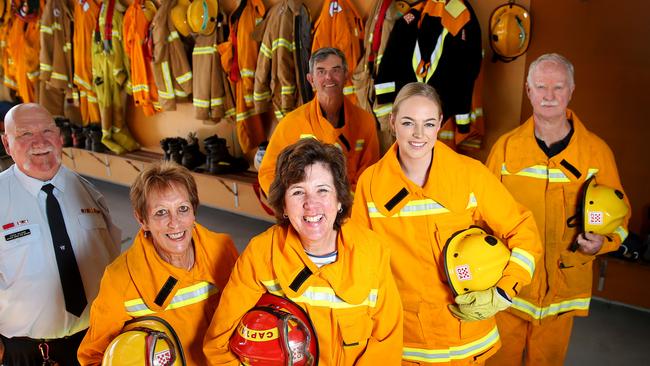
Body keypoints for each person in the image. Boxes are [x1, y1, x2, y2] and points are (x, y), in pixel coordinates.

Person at [351, 82, 542, 365]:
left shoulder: (470, 175)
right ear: (392, 122)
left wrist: (505, 289)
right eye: (408, 122)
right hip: (406, 341)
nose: (418, 134)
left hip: (466, 340)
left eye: (428, 124)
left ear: (440, 124)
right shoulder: (371, 184)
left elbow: (523, 230)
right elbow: (359, 260)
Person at [484, 53, 631, 366]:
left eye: (558, 87)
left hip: (561, 295)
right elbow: (482, 215)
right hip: (511, 287)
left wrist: (602, 243)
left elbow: (620, 217)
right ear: (528, 91)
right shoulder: (506, 150)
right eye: (541, 87)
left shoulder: (596, 152)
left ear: (572, 90)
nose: (549, 96)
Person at [204, 138, 403, 365]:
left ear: (339, 200)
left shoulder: (372, 253)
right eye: (298, 192)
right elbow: (217, 344)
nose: (311, 204)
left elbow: (387, 341)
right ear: (284, 206)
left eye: (323, 190)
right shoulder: (261, 255)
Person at [77, 161, 239, 365]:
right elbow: (93, 356)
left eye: (182, 208)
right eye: (161, 212)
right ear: (142, 220)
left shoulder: (222, 249)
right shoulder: (120, 279)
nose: (175, 222)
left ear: (194, 212)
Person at [0, 103, 121, 365]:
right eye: (25, 134)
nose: (39, 142)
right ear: (7, 144)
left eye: (47, 130)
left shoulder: (88, 191)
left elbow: (114, 260)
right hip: (26, 352)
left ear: (59, 137)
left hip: (94, 344)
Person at [257, 47, 380, 196]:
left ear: (346, 76)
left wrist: (342, 205)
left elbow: (370, 176)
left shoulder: (365, 121)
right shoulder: (293, 123)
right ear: (311, 80)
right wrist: (291, 204)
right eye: (321, 71)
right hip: (309, 211)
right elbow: (268, 172)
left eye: (335, 70)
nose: (329, 77)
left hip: (351, 211)